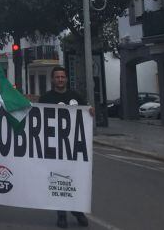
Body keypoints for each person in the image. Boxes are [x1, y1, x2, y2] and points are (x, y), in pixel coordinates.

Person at [39, 66, 93, 229]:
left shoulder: (76, 97)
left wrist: (91, 112)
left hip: (74, 149)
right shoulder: (45, 98)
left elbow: (86, 114)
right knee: (58, 181)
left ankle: (77, 211)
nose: (60, 80)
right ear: (52, 79)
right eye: (57, 77)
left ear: (66, 79)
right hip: (54, 148)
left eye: (63, 77)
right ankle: (61, 214)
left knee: (75, 180)